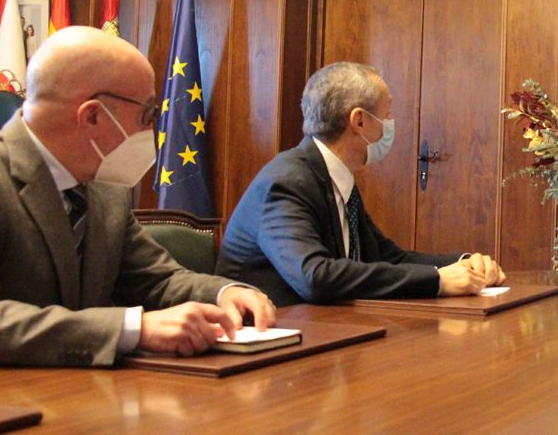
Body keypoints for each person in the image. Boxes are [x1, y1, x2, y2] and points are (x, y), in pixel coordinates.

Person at [0, 26, 276, 367]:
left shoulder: (106, 188)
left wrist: (225, 293)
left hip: (84, 398)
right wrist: (132, 329)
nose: (152, 132)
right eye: (148, 115)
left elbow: (156, 280)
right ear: (92, 116)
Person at [216, 62, 505, 305]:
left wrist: (463, 264)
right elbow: (315, 277)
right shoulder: (287, 182)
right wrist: (437, 281)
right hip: (269, 344)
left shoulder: (336, 178)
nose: (391, 124)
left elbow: (389, 258)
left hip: (325, 329)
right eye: (387, 114)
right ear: (359, 121)